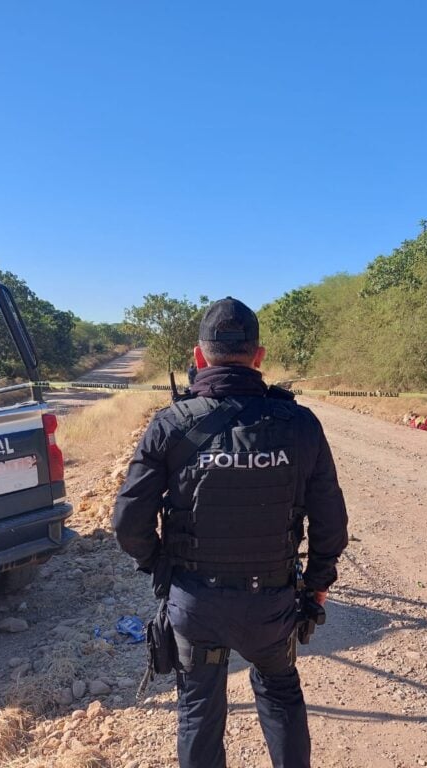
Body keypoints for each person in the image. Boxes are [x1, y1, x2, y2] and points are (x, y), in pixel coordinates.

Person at [113, 297, 348, 768]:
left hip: (195, 601)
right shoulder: (301, 424)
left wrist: (161, 568)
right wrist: (317, 586)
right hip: (272, 603)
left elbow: (128, 523)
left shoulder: (170, 425)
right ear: (259, 357)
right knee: (281, 694)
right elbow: (331, 524)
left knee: (198, 709)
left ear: (199, 357)